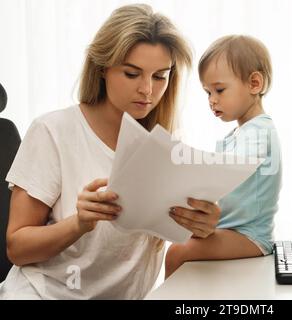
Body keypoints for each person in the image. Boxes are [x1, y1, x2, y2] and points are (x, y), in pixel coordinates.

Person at [0, 4, 221, 299]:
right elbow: (17, 248)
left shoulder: (166, 148)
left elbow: (172, 236)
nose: (147, 90)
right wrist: (78, 224)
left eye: (160, 76)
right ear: (103, 69)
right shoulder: (53, 131)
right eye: (132, 74)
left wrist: (203, 227)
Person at [165, 35, 282, 278]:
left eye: (219, 89)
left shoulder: (258, 131)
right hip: (235, 231)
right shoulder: (243, 131)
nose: (212, 100)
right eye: (207, 92)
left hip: (250, 237)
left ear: (254, 84)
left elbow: (225, 173)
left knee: (177, 252)